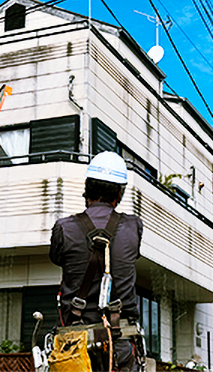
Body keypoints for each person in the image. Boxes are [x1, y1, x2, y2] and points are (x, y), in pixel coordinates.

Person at [49, 151, 144, 372]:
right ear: (119, 194)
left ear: (87, 188)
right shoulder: (133, 227)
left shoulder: (64, 228)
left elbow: (56, 258)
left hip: (73, 346)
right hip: (120, 343)